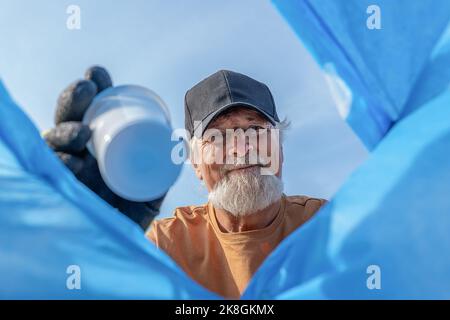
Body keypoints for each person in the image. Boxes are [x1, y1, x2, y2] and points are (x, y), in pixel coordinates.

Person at [46, 67, 326, 299]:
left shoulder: (330, 226)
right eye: (218, 137)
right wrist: (86, 248)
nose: (241, 148)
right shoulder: (163, 247)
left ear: (280, 147)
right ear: (196, 164)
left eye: (254, 129)